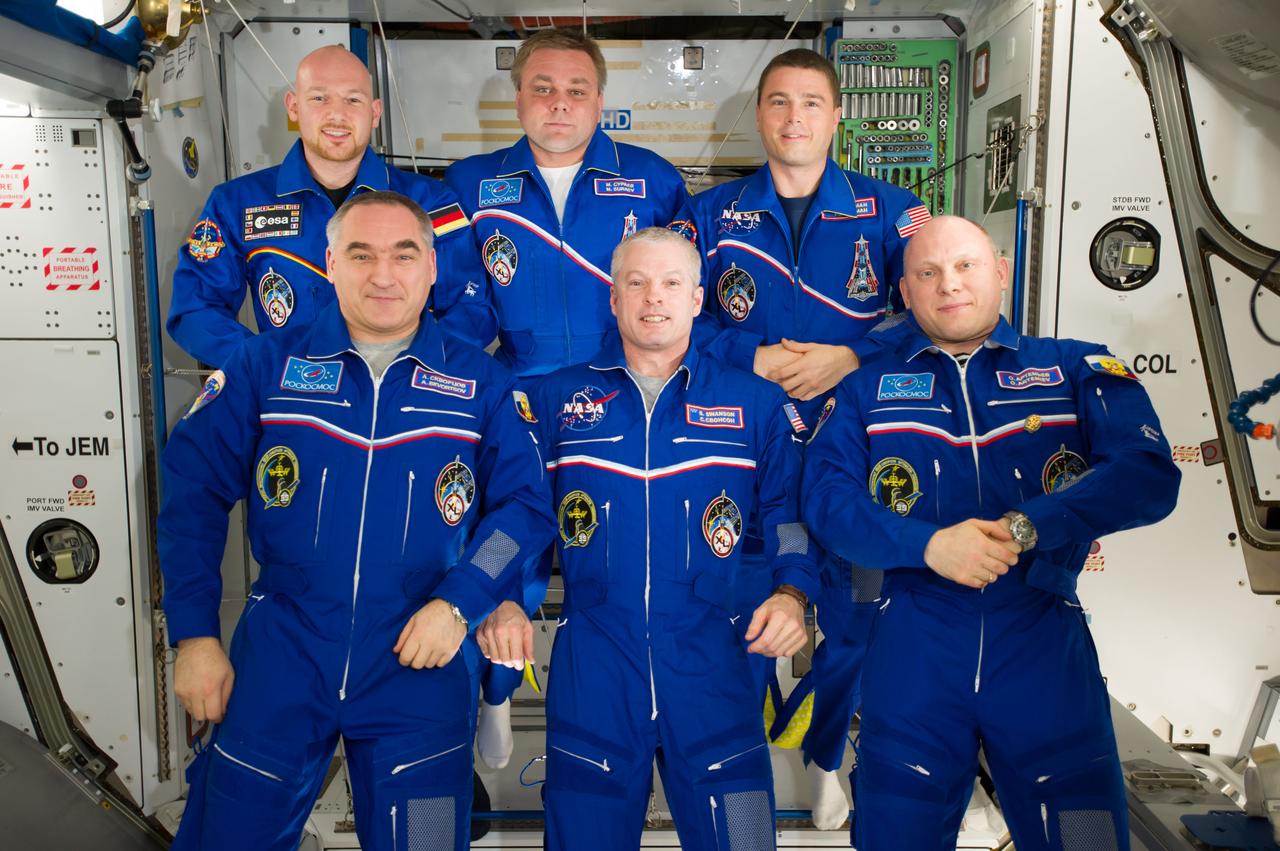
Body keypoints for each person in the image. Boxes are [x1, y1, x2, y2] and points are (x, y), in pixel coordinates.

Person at [158, 191, 554, 851]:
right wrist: (194, 637)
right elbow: (192, 495)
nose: (382, 274)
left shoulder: (481, 384)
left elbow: (523, 510)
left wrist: (459, 605)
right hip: (284, 654)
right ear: (329, 263)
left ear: (432, 267)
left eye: (404, 255)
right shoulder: (267, 366)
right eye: (361, 254)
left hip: (419, 661)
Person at [802, 215, 1181, 850]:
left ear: (1000, 272)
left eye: (965, 266)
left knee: (1084, 838)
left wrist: (1030, 525)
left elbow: (1147, 476)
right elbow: (825, 499)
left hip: (1041, 643)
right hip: (912, 649)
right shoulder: (864, 390)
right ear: (906, 291)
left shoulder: (1076, 367)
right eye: (927, 272)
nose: (948, 284)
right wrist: (928, 546)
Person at [479, 227, 819, 850]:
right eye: (635, 282)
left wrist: (794, 593)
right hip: (595, 668)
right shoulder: (552, 400)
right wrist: (501, 596)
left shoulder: (756, 404)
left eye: (670, 283)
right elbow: (517, 515)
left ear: (697, 299)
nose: (652, 297)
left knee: (741, 842)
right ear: (613, 297)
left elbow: (787, 516)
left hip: (718, 663)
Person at [674, 46, 931, 825]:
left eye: (811, 103)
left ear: (837, 115)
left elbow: (937, 304)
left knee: (858, 614)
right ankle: (736, 759)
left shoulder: (891, 210)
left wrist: (854, 352)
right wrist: (745, 352)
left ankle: (825, 755)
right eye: (780, 103)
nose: (795, 118)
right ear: (761, 115)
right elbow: (670, 305)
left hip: (854, 444)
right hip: (748, 447)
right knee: (746, 603)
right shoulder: (713, 213)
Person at [445, 27, 687, 770]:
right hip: (515, 400)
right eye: (542, 88)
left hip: (623, 405)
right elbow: (455, 306)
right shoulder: (469, 184)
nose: (559, 103)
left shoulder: (652, 180)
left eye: (576, 89)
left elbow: (677, 296)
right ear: (517, 97)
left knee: (613, 562)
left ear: (600, 102)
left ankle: (627, 720)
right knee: (500, 549)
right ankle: (493, 692)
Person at [168, 45, 494, 367]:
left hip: (403, 400)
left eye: (353, 99)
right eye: (319, 98)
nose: (337, 114)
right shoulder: (237, 203)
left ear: (375, 112)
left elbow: (472, 305)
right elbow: (196, 309)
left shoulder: (430, 201)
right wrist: (268, 368)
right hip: (292, 398)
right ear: (293, 106)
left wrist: (411, 370)